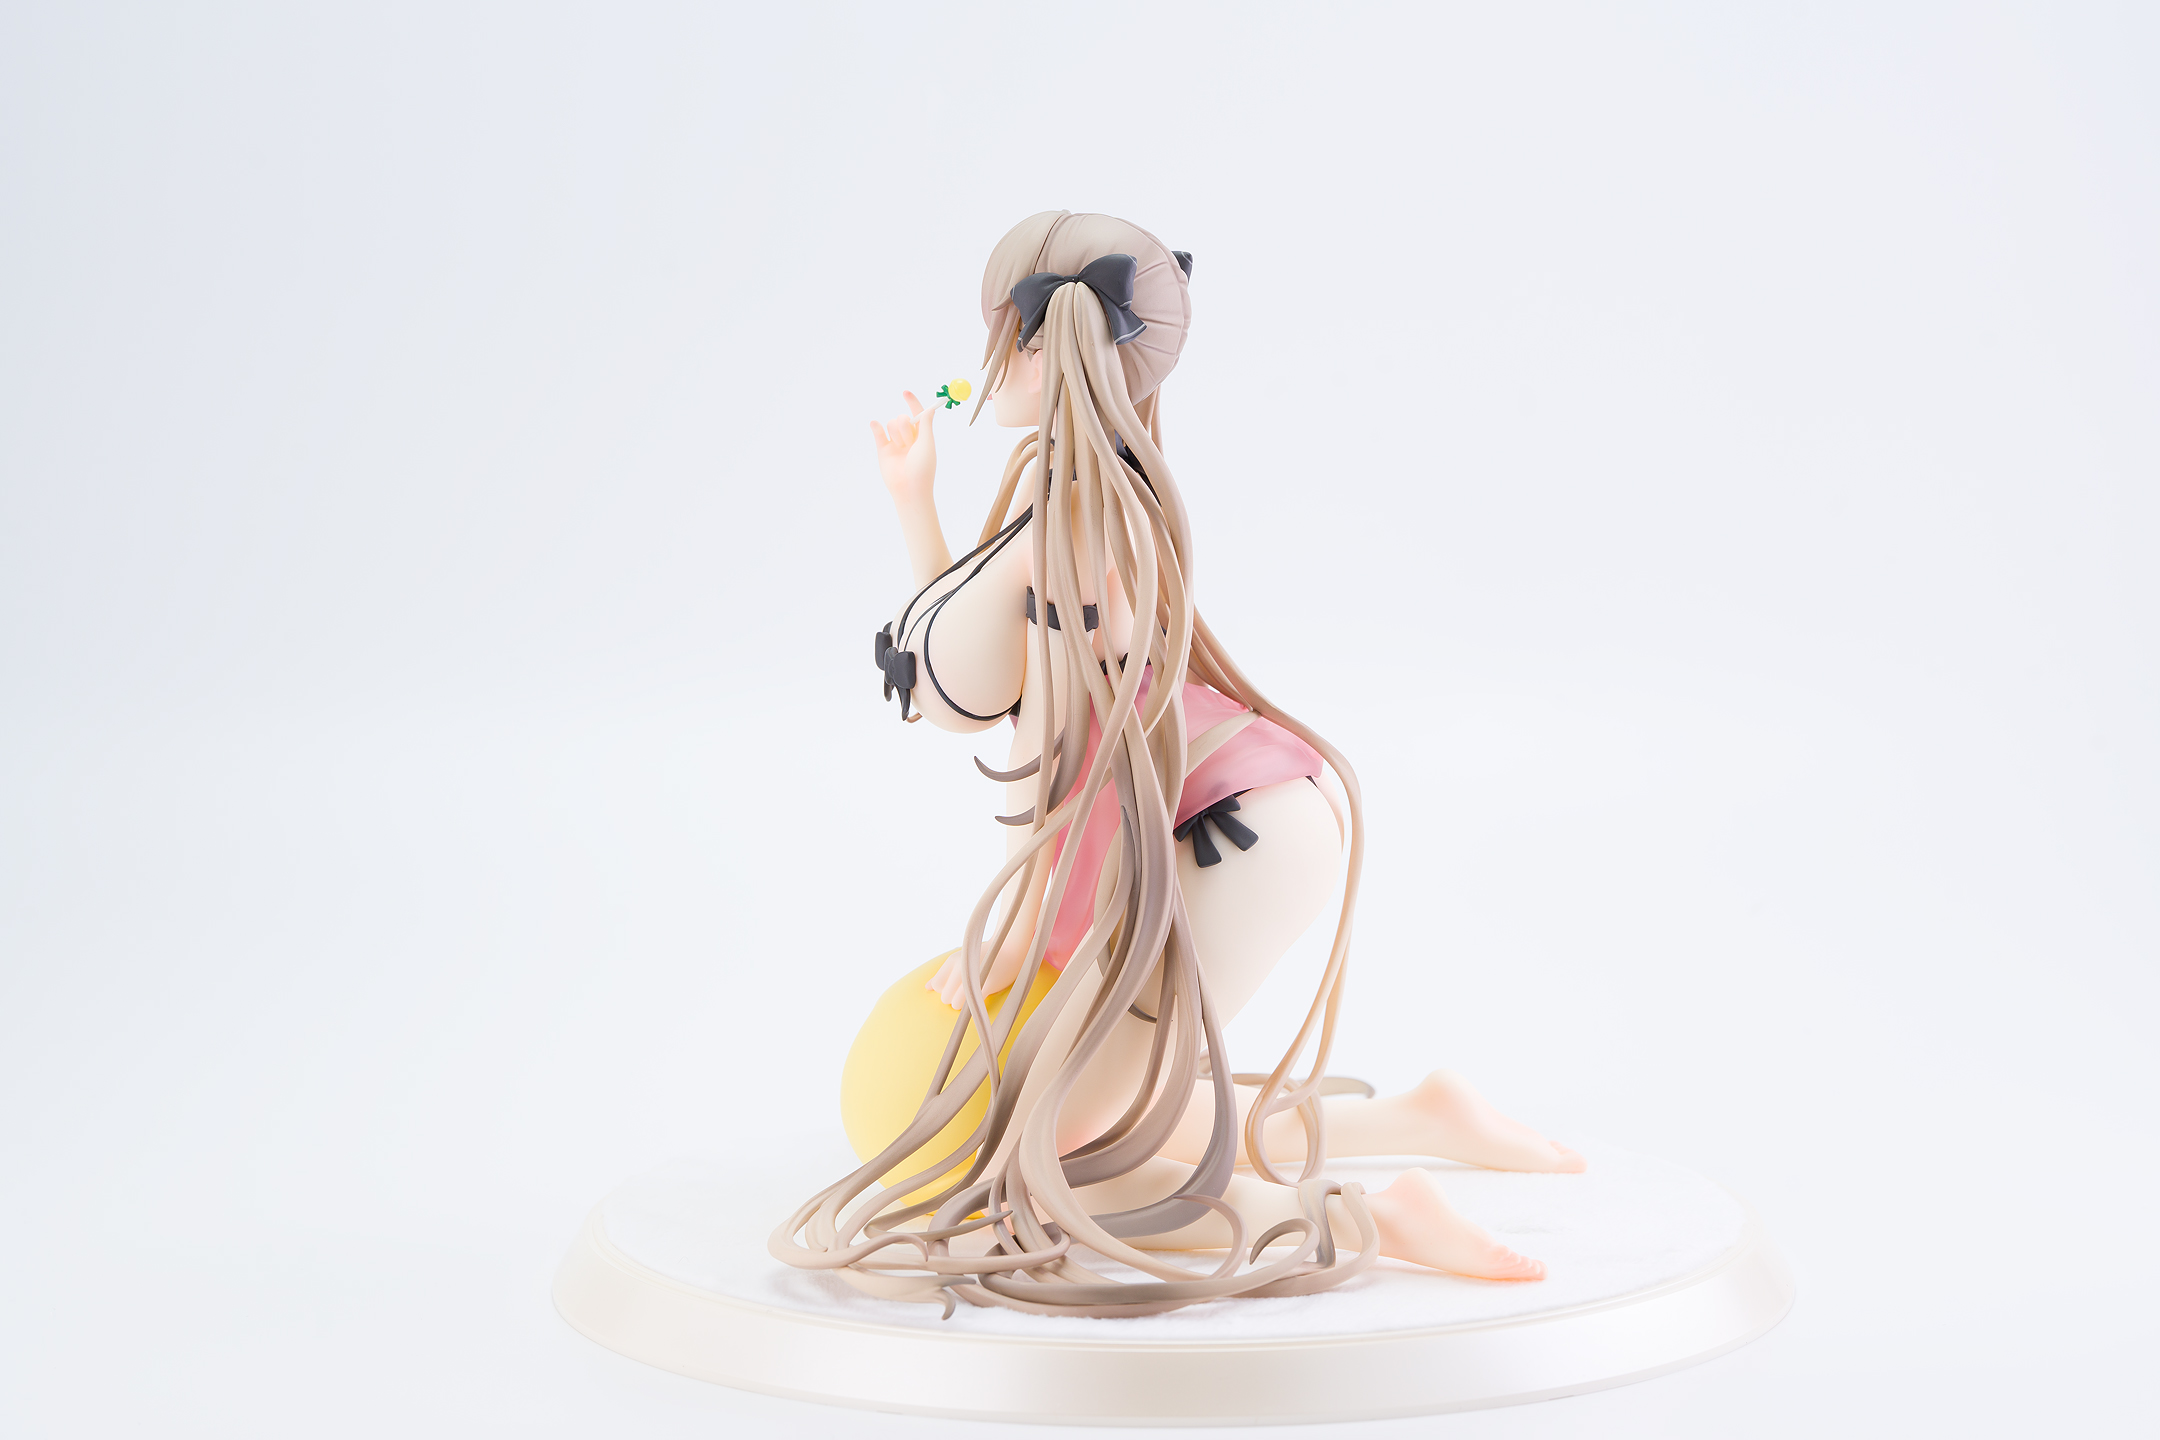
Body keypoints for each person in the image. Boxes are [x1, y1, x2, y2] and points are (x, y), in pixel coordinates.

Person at [772, 212, 1581, 1319]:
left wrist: (1022, 920)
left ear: (1046, 343)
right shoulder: (1058, 490)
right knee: (1099, 1106)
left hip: (1232, 832)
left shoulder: (1080, 518)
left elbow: (1060, 740)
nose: (984, 365)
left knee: (1039, 1156)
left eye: (998, 336)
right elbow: (992, 679)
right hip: (1226, 817)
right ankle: (1420, 1119)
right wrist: (914, 497)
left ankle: (1364, 1217)